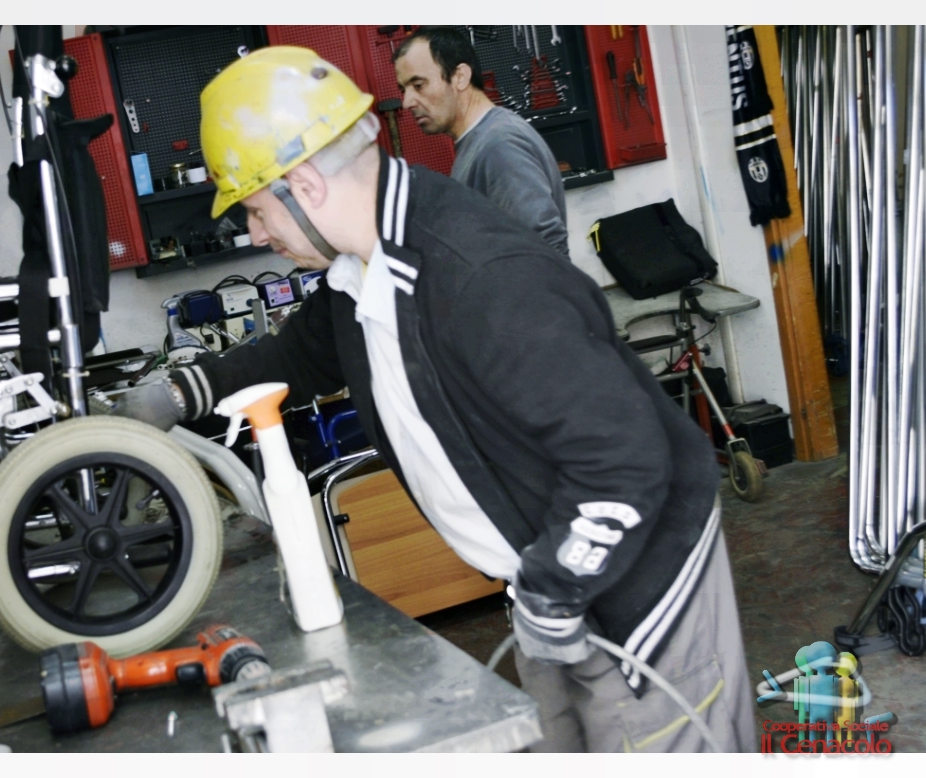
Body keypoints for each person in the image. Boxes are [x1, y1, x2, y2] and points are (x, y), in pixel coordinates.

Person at [110, 46, 755, 753]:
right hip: (547, 581)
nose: (256, 235)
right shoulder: (364, 266)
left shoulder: (478, 275)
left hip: (639, 591)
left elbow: (625, 461)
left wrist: (556, 585)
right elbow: (296, 354)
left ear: (305, 184)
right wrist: (179, 394)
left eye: (257, 210)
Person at [392, 26, 569, 257]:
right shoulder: (478, 142)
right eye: (403, 89)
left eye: (418, 85)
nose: (407, 102)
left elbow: (546, 249)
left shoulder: (499, 145)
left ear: (460, 77)